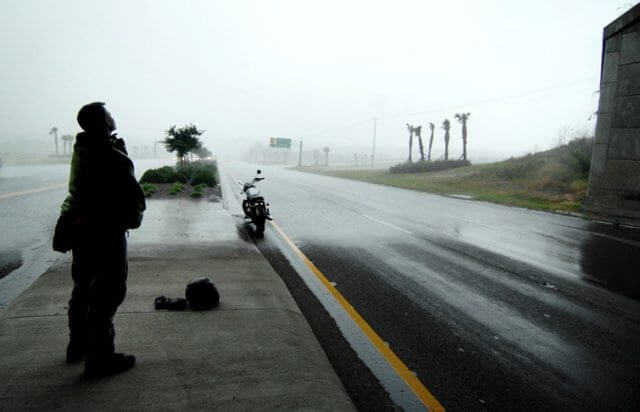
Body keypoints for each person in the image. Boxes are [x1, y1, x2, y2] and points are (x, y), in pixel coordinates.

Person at [54, 102, 146, 377]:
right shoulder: (108, 153)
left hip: (83, 231)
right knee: (108, 292)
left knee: (83, 287)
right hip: (106, 231)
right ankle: (101, 356)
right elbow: (132, 198)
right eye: (109, 115)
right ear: (102, 122)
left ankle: (78, 344)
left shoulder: (83, 147)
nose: (113, 117)